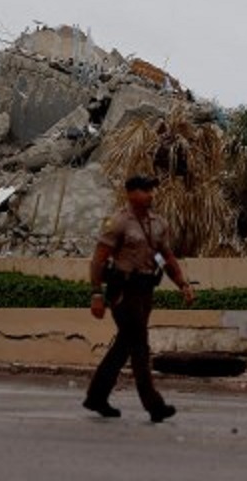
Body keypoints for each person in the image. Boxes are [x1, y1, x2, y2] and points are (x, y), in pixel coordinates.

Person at [83, 174, 196, 423]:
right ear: (130, 193)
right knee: (139, 346)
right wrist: (96, 295)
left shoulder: (157, 224)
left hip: (145, 292)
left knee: (123, 346)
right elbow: (99, 259)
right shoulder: (118, 222)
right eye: (144, 190)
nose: (150, 194)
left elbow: (164, 258)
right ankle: (154, 404)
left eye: (151, 189)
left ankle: (96, 397)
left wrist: (182, 284)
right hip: (123, 292)